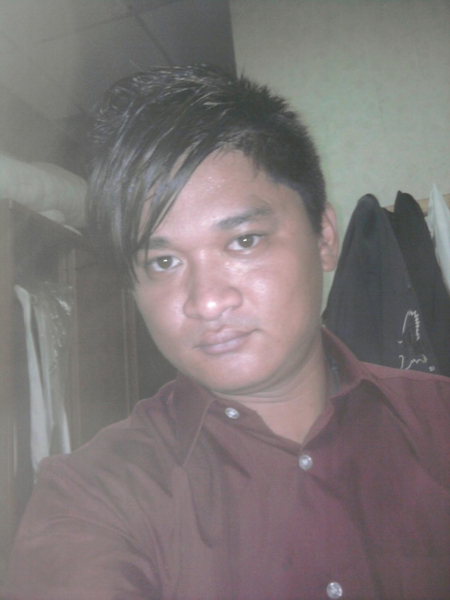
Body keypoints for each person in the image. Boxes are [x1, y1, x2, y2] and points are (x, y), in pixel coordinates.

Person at [4, 65, 450, 600]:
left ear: (324, 237)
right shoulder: (92, 497)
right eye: (164, 261)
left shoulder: (438, 421)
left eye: (243, 241)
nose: (207, 300)